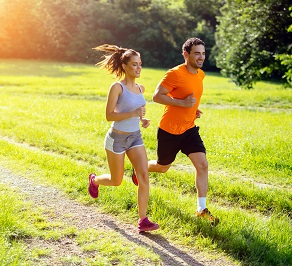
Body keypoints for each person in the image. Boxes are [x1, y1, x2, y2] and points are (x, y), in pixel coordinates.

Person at [132, 37, 219, 224]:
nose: (201, 57)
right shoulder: (174, 74)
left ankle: (201, 209)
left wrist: (192, 109)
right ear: (186, 54)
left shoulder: (200, 74)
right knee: (163, 167)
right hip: (169, 130)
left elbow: (189, 97)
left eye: (203, 53)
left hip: (189, 129)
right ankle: (139, 168)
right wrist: (182, 104)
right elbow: (156, 96)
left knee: (202, 165)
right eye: (197, 53)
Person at [88, 44, 159, 232]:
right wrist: (133, 113)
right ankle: (94, 180)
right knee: (116, 180)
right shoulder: (117, 87)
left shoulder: (141, 88)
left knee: (144, 176)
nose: (138, 68)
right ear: (125, 66)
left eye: (140, 64)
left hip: (135, 137)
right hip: (117, 139)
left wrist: (143, 119)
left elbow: (139, 111)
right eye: (134, 64)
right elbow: (109, 116)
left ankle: (143, 220)